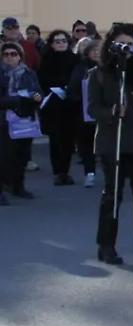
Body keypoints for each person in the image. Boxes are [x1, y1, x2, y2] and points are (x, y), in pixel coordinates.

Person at [87, 24, 133, 264]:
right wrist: (112, 112)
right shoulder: (99, 74)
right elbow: (92, 108)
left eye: (131, 44)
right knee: (112, 194)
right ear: (111, 46)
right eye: (121, 44)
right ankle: (106, 245)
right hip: (113, 141)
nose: (126, 49)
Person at [0, 42, 42, 199]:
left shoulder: (28, 73)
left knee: (22, 156)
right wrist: (17, 99)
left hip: (24, 119)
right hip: (4, 120)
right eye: (6, 54)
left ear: (20, 56)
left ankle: (18, 187)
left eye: (13, 54)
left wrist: (37, 97)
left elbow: (38, 91)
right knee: (5, 157)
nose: (10, 57)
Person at [37, 29, 79, 185]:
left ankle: (65, 171)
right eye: (57, 41)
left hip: (71, 105)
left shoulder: (75, 59)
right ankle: (57, 172)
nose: (61, 44)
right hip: (53, 105)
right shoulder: (46, 59)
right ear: (52, 44)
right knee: (55, 140)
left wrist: (70, 88)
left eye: (64, 41)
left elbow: (78, 78)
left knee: (68, 140)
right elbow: (42, 80)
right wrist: (57, 87)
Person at [67, 37, 100, 188]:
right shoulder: (80, 68)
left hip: (106, 114)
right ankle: (90, 173)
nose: (96, 53)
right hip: (85, 114)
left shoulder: (109, 67)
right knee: (87, 145)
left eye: (99, 50)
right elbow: (72, 90)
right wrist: (80, 99)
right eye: (93, 50)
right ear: (87, 52)